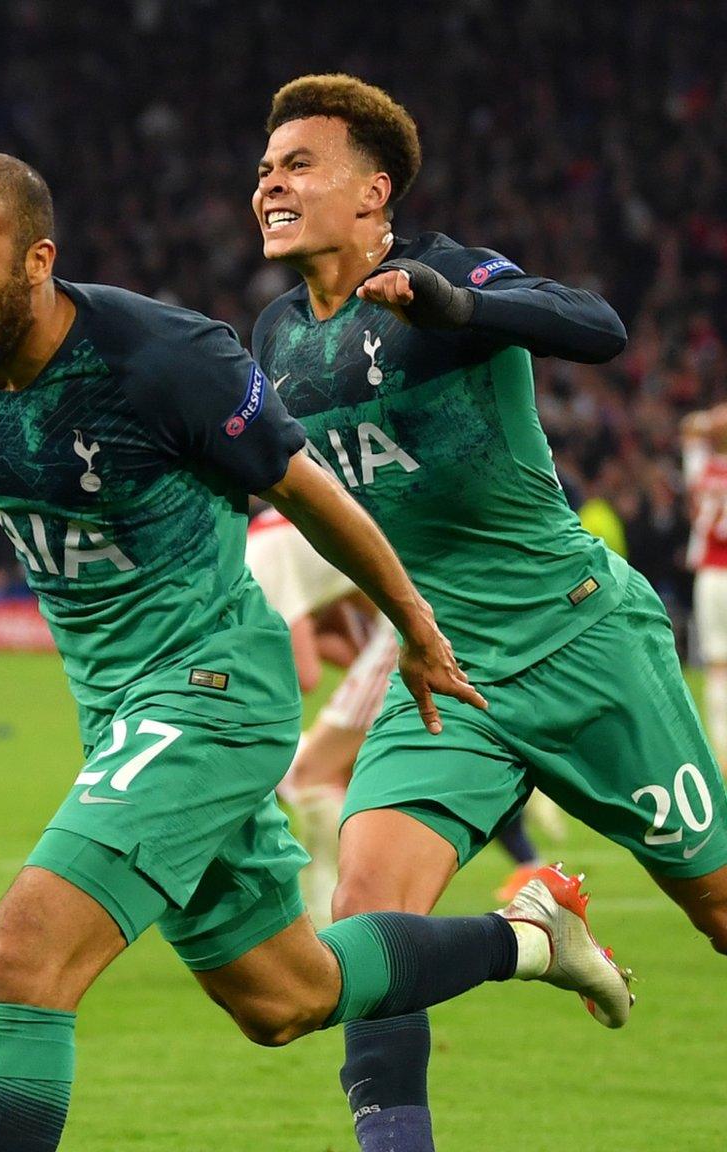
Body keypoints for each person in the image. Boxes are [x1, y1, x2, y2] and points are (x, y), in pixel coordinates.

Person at [0, 150, 631, 1152]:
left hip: (210, 693)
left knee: (23, 956)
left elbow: (303, 491)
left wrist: (417, 632)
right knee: (284, 997)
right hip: (119, 711)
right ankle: (529, 941)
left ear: (36, 262)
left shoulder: (161, 360)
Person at [249, 73, 726, 1152]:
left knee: (719, 911)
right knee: (365, 919)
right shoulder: (276, 340)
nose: (269, 183)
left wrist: (455, 306)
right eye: (263, 169)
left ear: (372, 192)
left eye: (297, 165)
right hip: (446, 674)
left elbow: (592, 324)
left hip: (580, 642)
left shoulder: (443, 269)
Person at [246, 509, 548, 920]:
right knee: (349, 773)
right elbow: (349, 625)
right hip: (417, 611)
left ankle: (327, 917)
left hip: (408, 631)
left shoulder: (255, 565)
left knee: (312, 773)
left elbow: (306, 673)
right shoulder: (276, 533)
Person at [683, 402, 727, 755]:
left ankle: (722, 744)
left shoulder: (701, 468)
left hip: (710, 574)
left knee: (716, 663)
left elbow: (689, 427)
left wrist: (708, 419)